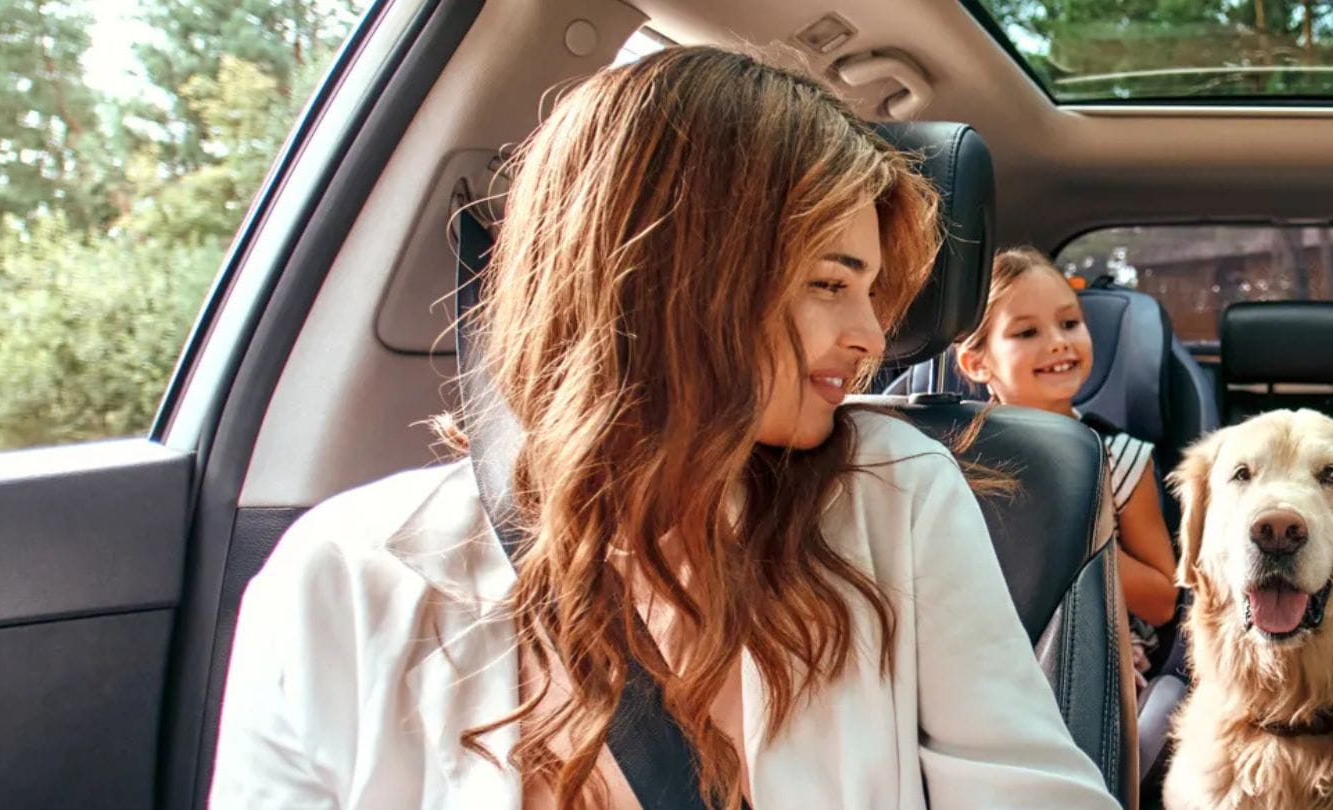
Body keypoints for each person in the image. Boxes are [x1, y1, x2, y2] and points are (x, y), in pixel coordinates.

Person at [209, 47, 1116, 810]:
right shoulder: (339, 573)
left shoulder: (891, 494)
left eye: (872, 294)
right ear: (674, 281)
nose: (872, 338)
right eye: (830, 283)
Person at [953, 248, 1179, 686]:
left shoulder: (1122, 460)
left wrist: (1067, 539)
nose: (1058, 341)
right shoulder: (956, 461)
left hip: (1094, 655)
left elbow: (1162, 603)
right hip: (979, 651)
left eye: (1070, 323)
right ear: (977, 362)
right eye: (1027, 332)